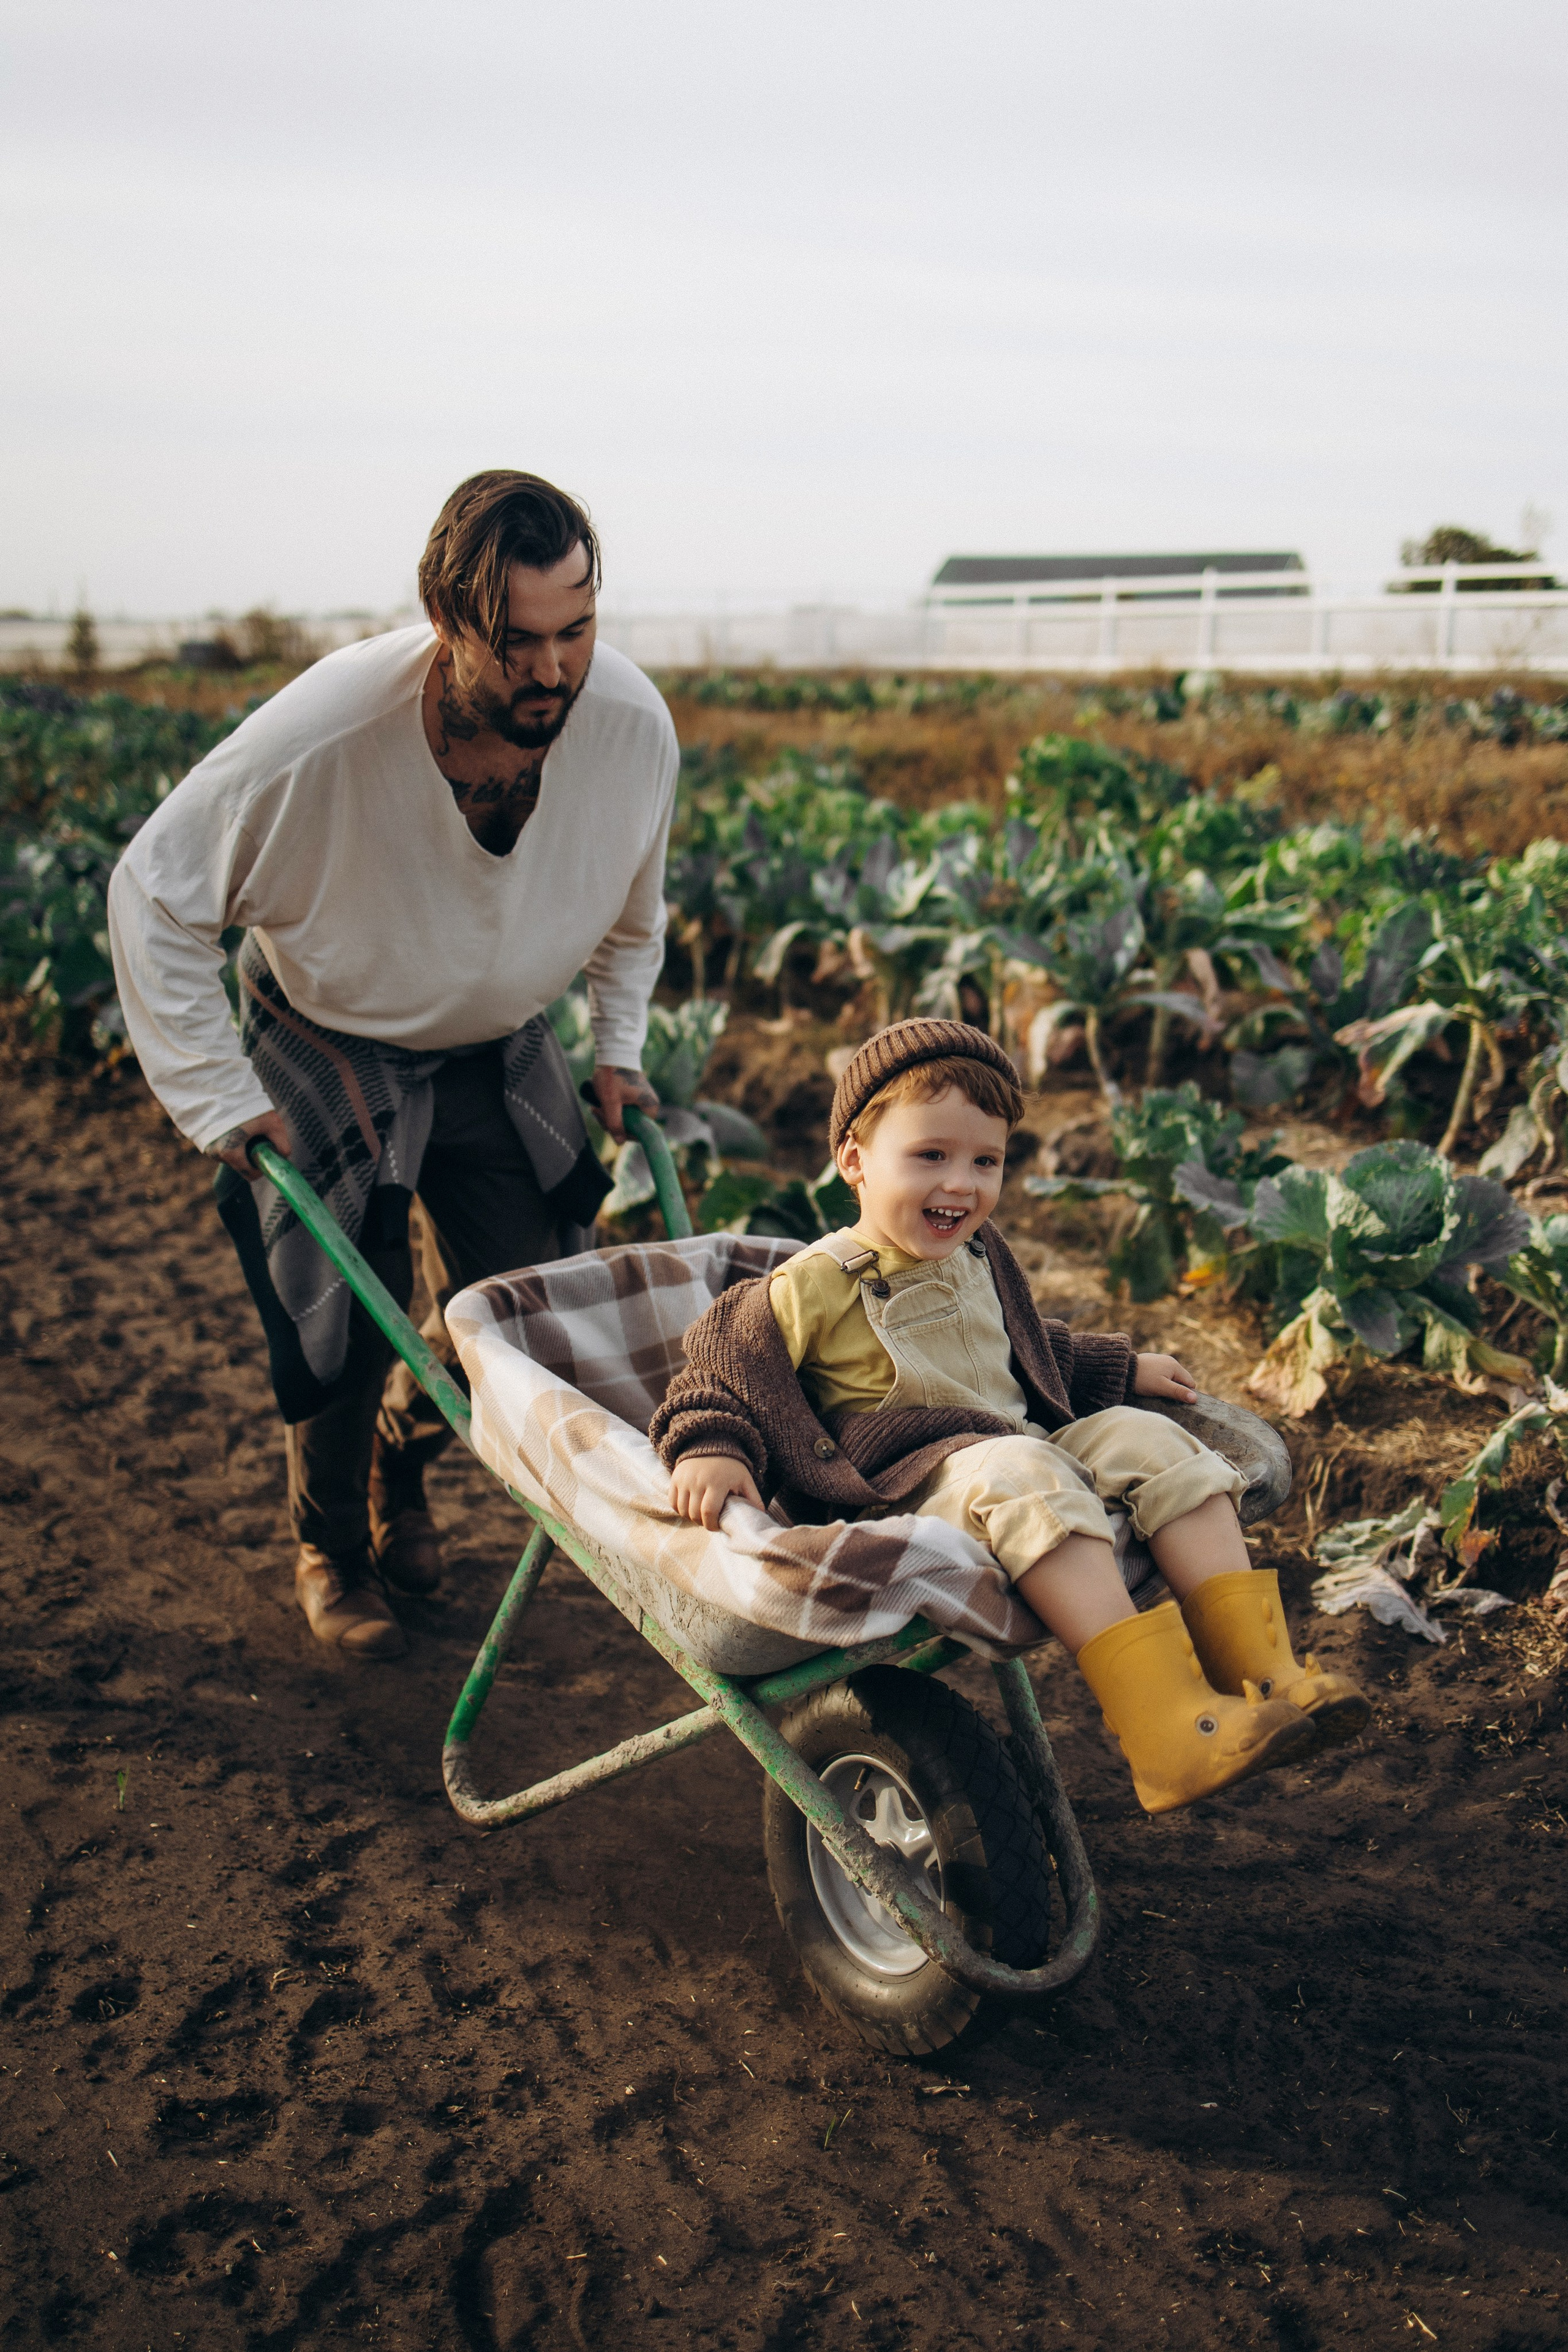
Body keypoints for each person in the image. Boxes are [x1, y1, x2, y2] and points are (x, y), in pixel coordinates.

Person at [108, 470, 676, 1661]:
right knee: (342, 1322)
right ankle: (333, 1549)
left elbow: (633, 912)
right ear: (445, 619)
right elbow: (153, 894)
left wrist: (616, 1052)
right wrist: (219, 1096)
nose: (551, 671)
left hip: (497, 1042)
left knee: (526, 1326)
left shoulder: (626, 729)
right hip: (331, 1030)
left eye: (575, 631)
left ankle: (399, 1455)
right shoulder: (318, 743)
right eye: (516, 641)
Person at [652, 1019, 1369, 1815]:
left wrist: (1121, 1370)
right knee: (1027, 1473)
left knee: (1151, 1439)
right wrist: (712, 1448)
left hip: (1015, 1448)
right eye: (930, 1156)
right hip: (911, 1488)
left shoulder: (980, 1253)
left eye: (984, 1162)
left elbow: (1027, 1353)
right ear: (854, 1159)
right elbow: (724, 1368)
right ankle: (1163, 1729)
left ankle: (1264, 1675)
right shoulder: (814, 1283)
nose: (960, 1184)